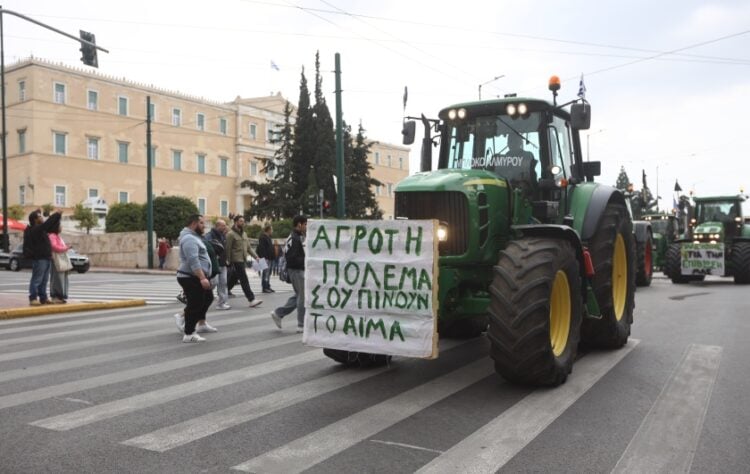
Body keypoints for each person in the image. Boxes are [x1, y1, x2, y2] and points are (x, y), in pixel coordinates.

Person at [175, 214, 216, 342]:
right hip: (190, 277)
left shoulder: (194, 237)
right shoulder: (189, 239)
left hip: (195, 276)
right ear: (194, 224)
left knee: (207, 298)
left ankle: (199, 324)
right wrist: (202, 278)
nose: (204, 226)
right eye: (202, 223)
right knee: (195, 304)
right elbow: (193, 260)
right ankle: (189, 333)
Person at [270, 215, 307, 333]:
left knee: (299, 295)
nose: (306, 227)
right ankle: (301, 325)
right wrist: (306, 261)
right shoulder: (296, 239)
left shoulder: (293, 237)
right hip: (296, 270)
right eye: (305, 224)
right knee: (303, 296)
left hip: (294, 270)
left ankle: (278, 313)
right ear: (299, 224)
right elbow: (293, 258)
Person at [23, 209, 62, 306]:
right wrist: (56, 214)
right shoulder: (35, 229)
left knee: (44, 280)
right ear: (35, 219)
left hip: (46, 257)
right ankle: (33, 298)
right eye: (39, 216)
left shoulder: (41, 230)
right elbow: (47, 224)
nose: (42, 217)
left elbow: (52, 226)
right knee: (37, 279)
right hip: (40, 258)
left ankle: (43, 298)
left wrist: (58, 217)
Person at [225, 215, 263, 308]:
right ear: (236, 222)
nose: (243, 223)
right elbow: (228, 248)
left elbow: (249, 248)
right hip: (236, 260)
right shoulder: (230, 234)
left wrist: (256, 257)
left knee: (234, 278)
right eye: (241, 221)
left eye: (243, 221)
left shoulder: (244, 234)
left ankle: (224, 291)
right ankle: (251, 299)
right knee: (244, 279)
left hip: (243, 260)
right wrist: (228, 261)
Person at [207, 219, 231, 310]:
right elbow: (207, 248)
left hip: (222, 263)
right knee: (213, 283)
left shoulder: (223, 236)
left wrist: (227, 259)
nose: (225, 227)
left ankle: (222, 303)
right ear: (217, 226)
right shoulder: (210, 236)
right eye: (223, 225)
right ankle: (201, 297)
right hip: (214, 263)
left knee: (223, 283)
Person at [48, 221, 71, 304]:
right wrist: (65, 248)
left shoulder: (57, 236)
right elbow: (54, 247)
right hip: (56, 260)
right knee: (57, 278)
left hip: (60, 259)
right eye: (60, 226)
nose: (61, 227)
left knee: (62, 278)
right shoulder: (52, 236)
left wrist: (65, 247)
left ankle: (61, 296)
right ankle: (56, 295)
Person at [256, 222, 275, 293]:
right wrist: (264, 257)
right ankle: (265, 287)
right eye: (271, 230)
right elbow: (262, 248)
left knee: (268, 273)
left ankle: (268, 286)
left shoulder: (268, 237)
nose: (272, 231)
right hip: (266, 258)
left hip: (269, 258)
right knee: (266, 273)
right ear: (268, 230)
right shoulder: (263, 237)